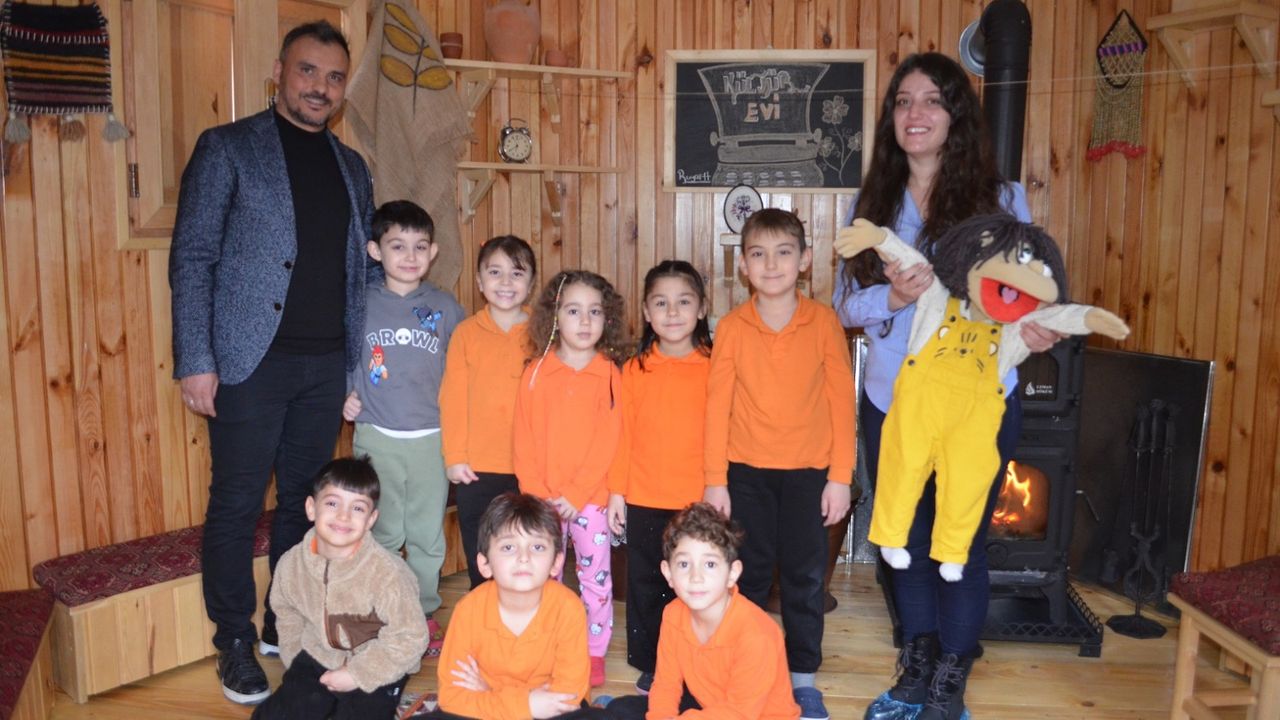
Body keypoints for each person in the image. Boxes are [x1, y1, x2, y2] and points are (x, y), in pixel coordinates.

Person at [831, 52, 1059, 720]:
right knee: (902, 540)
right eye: (903, 101)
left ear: (956, 114)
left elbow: (1028, 294)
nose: (916, 113)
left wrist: (1038, 327)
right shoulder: (868, 203)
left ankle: (951, 677)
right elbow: (845, 305)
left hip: (976, 406)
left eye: (932, 100)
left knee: (961, 542)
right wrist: (893, 299)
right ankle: (918, 664)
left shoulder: (1002, 199)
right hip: (893, 401)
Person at [168, 19, 374, 705]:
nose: (320, 87)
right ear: (280, 73)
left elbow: (361, 274)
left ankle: (282, 622)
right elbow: (193, 257)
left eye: (334, 77)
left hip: (326, 366)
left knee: (301, 505)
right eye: (308, 71)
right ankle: (233, 639)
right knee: (235, 503)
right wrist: (196, 358)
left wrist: (360, 367)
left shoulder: (353, 167)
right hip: (247, 365)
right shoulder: (227, 147)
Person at [703, 208, 856, 720]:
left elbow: (842, 405)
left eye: (783, 253)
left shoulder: (824, 323)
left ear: (805, 260)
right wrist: (715, 480)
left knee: (805, 579)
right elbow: (717, 407)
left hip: (809, 476)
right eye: (759, 254)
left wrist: (840, 478)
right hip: (745, 473)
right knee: (746, 577)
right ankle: (746, 671)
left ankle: (802, 678)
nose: (771, 265)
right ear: (744, 265)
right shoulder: (731, 327)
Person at [341, 200, 464, 655]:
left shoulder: (445, 307)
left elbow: (465, 367)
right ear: (375, 251)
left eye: (420, 246)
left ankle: (422, 610)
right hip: (377, 436)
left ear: (433, 252)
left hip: (432, 438)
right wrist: (345, 393)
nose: (410, 256)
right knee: (384, 532)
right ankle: (384, 611)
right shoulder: (360, 305)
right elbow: (342, 357)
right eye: (398, 246)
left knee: (427, 535)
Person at [514, 270, 629, 688]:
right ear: (555, 316)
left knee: (594, 580)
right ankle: (548, 646)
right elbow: (522, 438)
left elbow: (610, 441)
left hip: (591, 501)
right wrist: (537, 495)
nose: (584, 321)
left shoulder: (610, 374)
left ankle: (593, 651)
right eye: (574, 311)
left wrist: (578, 495)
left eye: (594, 312)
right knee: (543, 577)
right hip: (543, 502)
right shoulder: (535, 373)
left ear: (607, 319)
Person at [605, 260, 713, 695]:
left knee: (695, 583)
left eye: (683, 302)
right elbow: (623, 434)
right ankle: (651, 662)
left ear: (701, 309)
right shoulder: (634, 370)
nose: (672, 312)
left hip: (698, 499)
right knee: (648, 583)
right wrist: (617, 492)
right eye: (661, 303)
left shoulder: (715, 366)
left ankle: (697, 662)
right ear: (647, 312)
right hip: (645, 496)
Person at [250, 457, 428, 719]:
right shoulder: (291, 563)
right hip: (318, 655)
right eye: (332, 503)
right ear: (311, 508)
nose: (344, 516)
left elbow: (410, 637)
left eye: (357, 508)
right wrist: (297, 660)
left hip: (378, 663)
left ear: (371, 519)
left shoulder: (388, 573)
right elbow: (287, 614)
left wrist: (357, 674)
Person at [603, 503, 801, 720]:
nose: (696, 577)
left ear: (732, 573)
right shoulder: (673, 614)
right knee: (620, 709)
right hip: (709, 708)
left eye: (710, 564)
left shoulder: (757, 634)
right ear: (668, 573)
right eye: (684, 564)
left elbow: (739, 714)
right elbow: (666, 685)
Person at [429, 492, 609, 720]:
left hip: (540, 711)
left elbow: (567, 698)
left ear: (556, 562)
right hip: (511, 708)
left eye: (537, 547)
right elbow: (452, 697)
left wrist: (490, 693)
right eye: (508, 548)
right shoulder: (468, 610)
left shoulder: (568, 608)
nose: (524, 557)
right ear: (485, 564)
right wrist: (527, 704)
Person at [440, 235, 538, 589]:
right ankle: (482, 611)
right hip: (477, 468)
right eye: (495, 272)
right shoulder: (466, 333)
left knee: (527, 548)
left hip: (531, 468)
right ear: (479, 282)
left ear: (531, 283)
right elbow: (452, 398)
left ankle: (526, 613)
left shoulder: (545, 333)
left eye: (517, 273)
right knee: (481, 551)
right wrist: (455, 456)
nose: (506, 282)